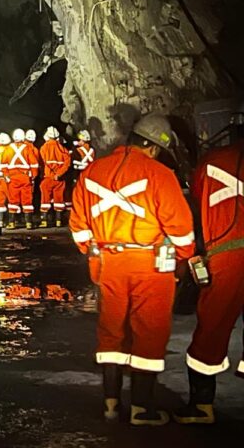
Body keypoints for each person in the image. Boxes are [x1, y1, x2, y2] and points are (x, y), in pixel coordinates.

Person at [69, 113, 195, 426]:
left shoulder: (92, 171)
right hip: (150, 265)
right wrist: (184, 258)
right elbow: (181, 231)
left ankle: (111, 403)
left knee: (111, 329)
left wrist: (96, 253)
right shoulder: (160, 174)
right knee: (149, 331)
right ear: (153, 147)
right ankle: (142, 408)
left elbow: (79, 228)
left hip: (108, 263)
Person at [174, 111, 244, 425]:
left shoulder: (211, 162)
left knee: (212, 327)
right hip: (229, 253)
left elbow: (199, 203)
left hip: (227, 255)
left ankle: (202, 406)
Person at [1, 128, 39, 229]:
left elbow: (3, 164)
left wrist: (6, 176)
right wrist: (33, 176)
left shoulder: (8, 149)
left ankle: (12, 223)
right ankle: (29, 223)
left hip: (12, 178)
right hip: (25, 177)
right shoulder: (27, 148)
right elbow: (34, 164)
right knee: (27, 200)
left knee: (13, 200)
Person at [38, 126, 71, 227]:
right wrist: (59, 174)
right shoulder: (63, 149)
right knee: (59, 199)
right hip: (59, 179)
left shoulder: (44, 148)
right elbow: (67, 164)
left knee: (45, 199)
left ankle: (44, 221)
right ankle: (58, 221)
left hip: (48, 178)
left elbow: (41, 163)